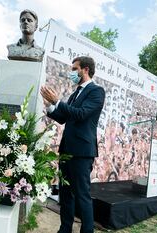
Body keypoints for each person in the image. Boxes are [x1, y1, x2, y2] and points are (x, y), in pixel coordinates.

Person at [40, 56, 105, 233]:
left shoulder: (96, 91)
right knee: (65, 193)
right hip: (67, 150)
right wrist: (51, 107)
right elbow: (64, 118)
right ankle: (65, 229)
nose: (72, 73)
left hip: (82, 152)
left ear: (85, 69)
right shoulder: (76, 93)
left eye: (74, 69)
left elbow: (81, 114)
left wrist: (57, 101)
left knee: (82, 195)